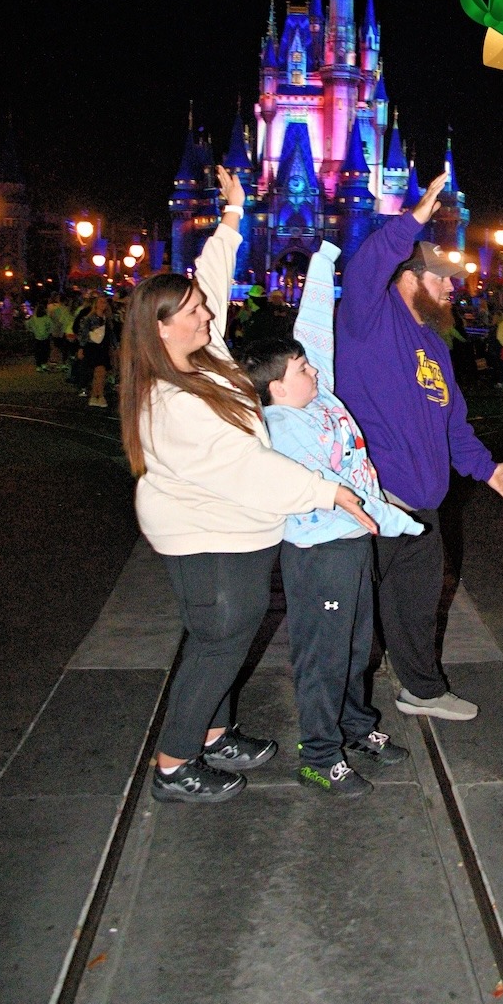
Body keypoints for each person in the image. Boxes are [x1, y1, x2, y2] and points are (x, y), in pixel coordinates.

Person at [118, 165, 376, 806]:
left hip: (236, 526)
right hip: (207, 533)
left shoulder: (200, 354)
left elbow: (207, 280)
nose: (209, 312)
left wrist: (232, 217)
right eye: (195, 312)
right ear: (161, 327)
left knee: (228, 637)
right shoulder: (171, 398)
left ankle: (213, 732)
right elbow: (243, 467)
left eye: (203, 307)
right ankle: (174, 763)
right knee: (218, 643)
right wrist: (326, 491)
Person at [335, 169, 503, 721]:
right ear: (408, 276)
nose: (450, 287)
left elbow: (453, 425)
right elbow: (366, 265)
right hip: (374, 502)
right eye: (441, 277)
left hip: (424, 506)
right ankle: (340, 718)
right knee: (350, 615)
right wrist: (413, 219)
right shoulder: (367, 320)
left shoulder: (434, 344)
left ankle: (420, 689)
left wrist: (486, 469)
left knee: (415, 609)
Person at [239, 242, 424, 800]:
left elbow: (315, 329)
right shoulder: (280, 428)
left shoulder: (319, 400)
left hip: (352, 544)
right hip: (320, 555)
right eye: (302, 369)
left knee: (356, 644)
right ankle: (319, 755)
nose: (315, 368)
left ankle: (355, 725)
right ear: (276, 387)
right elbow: (332, 488)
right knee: (323, 653)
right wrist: (392, 518)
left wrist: (322, 264)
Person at [78, 294, 116, 407]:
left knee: (100, 373)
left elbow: (111, 334)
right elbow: (84, 333)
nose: (103, 304)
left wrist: (115, 346)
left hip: (103, 347)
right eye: (100, 302)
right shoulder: (90, 318)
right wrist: (81, 347)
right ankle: (99, 396)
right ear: (96, 304)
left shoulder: (107, 318)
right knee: (99, 371)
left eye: (104, 302)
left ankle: (96, 396)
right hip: (93, 347)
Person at [26, 300, 54, 371]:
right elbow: (51, 326)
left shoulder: (34, 319)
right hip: (45, 337)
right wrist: (48, 332)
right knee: (45, 351)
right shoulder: (46, 318)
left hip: (37, 337)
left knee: (38, 352)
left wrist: (32, 330)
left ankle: (38, 365)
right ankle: (44, 364)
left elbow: (27, 324)